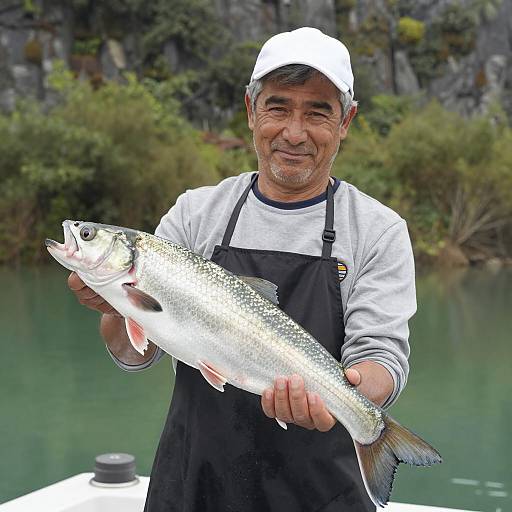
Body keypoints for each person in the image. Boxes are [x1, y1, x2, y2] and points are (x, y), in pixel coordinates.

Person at [68, 27, 415, 511]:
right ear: (251, 111)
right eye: (278, 107)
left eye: (318, 111)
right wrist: (114, 305)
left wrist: (349, 398)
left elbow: (382, 358)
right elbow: (133, 353)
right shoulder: (196, 213)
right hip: (194, 486)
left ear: (346, 121)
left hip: (319, 493)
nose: (294, 133)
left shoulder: (378, 230)